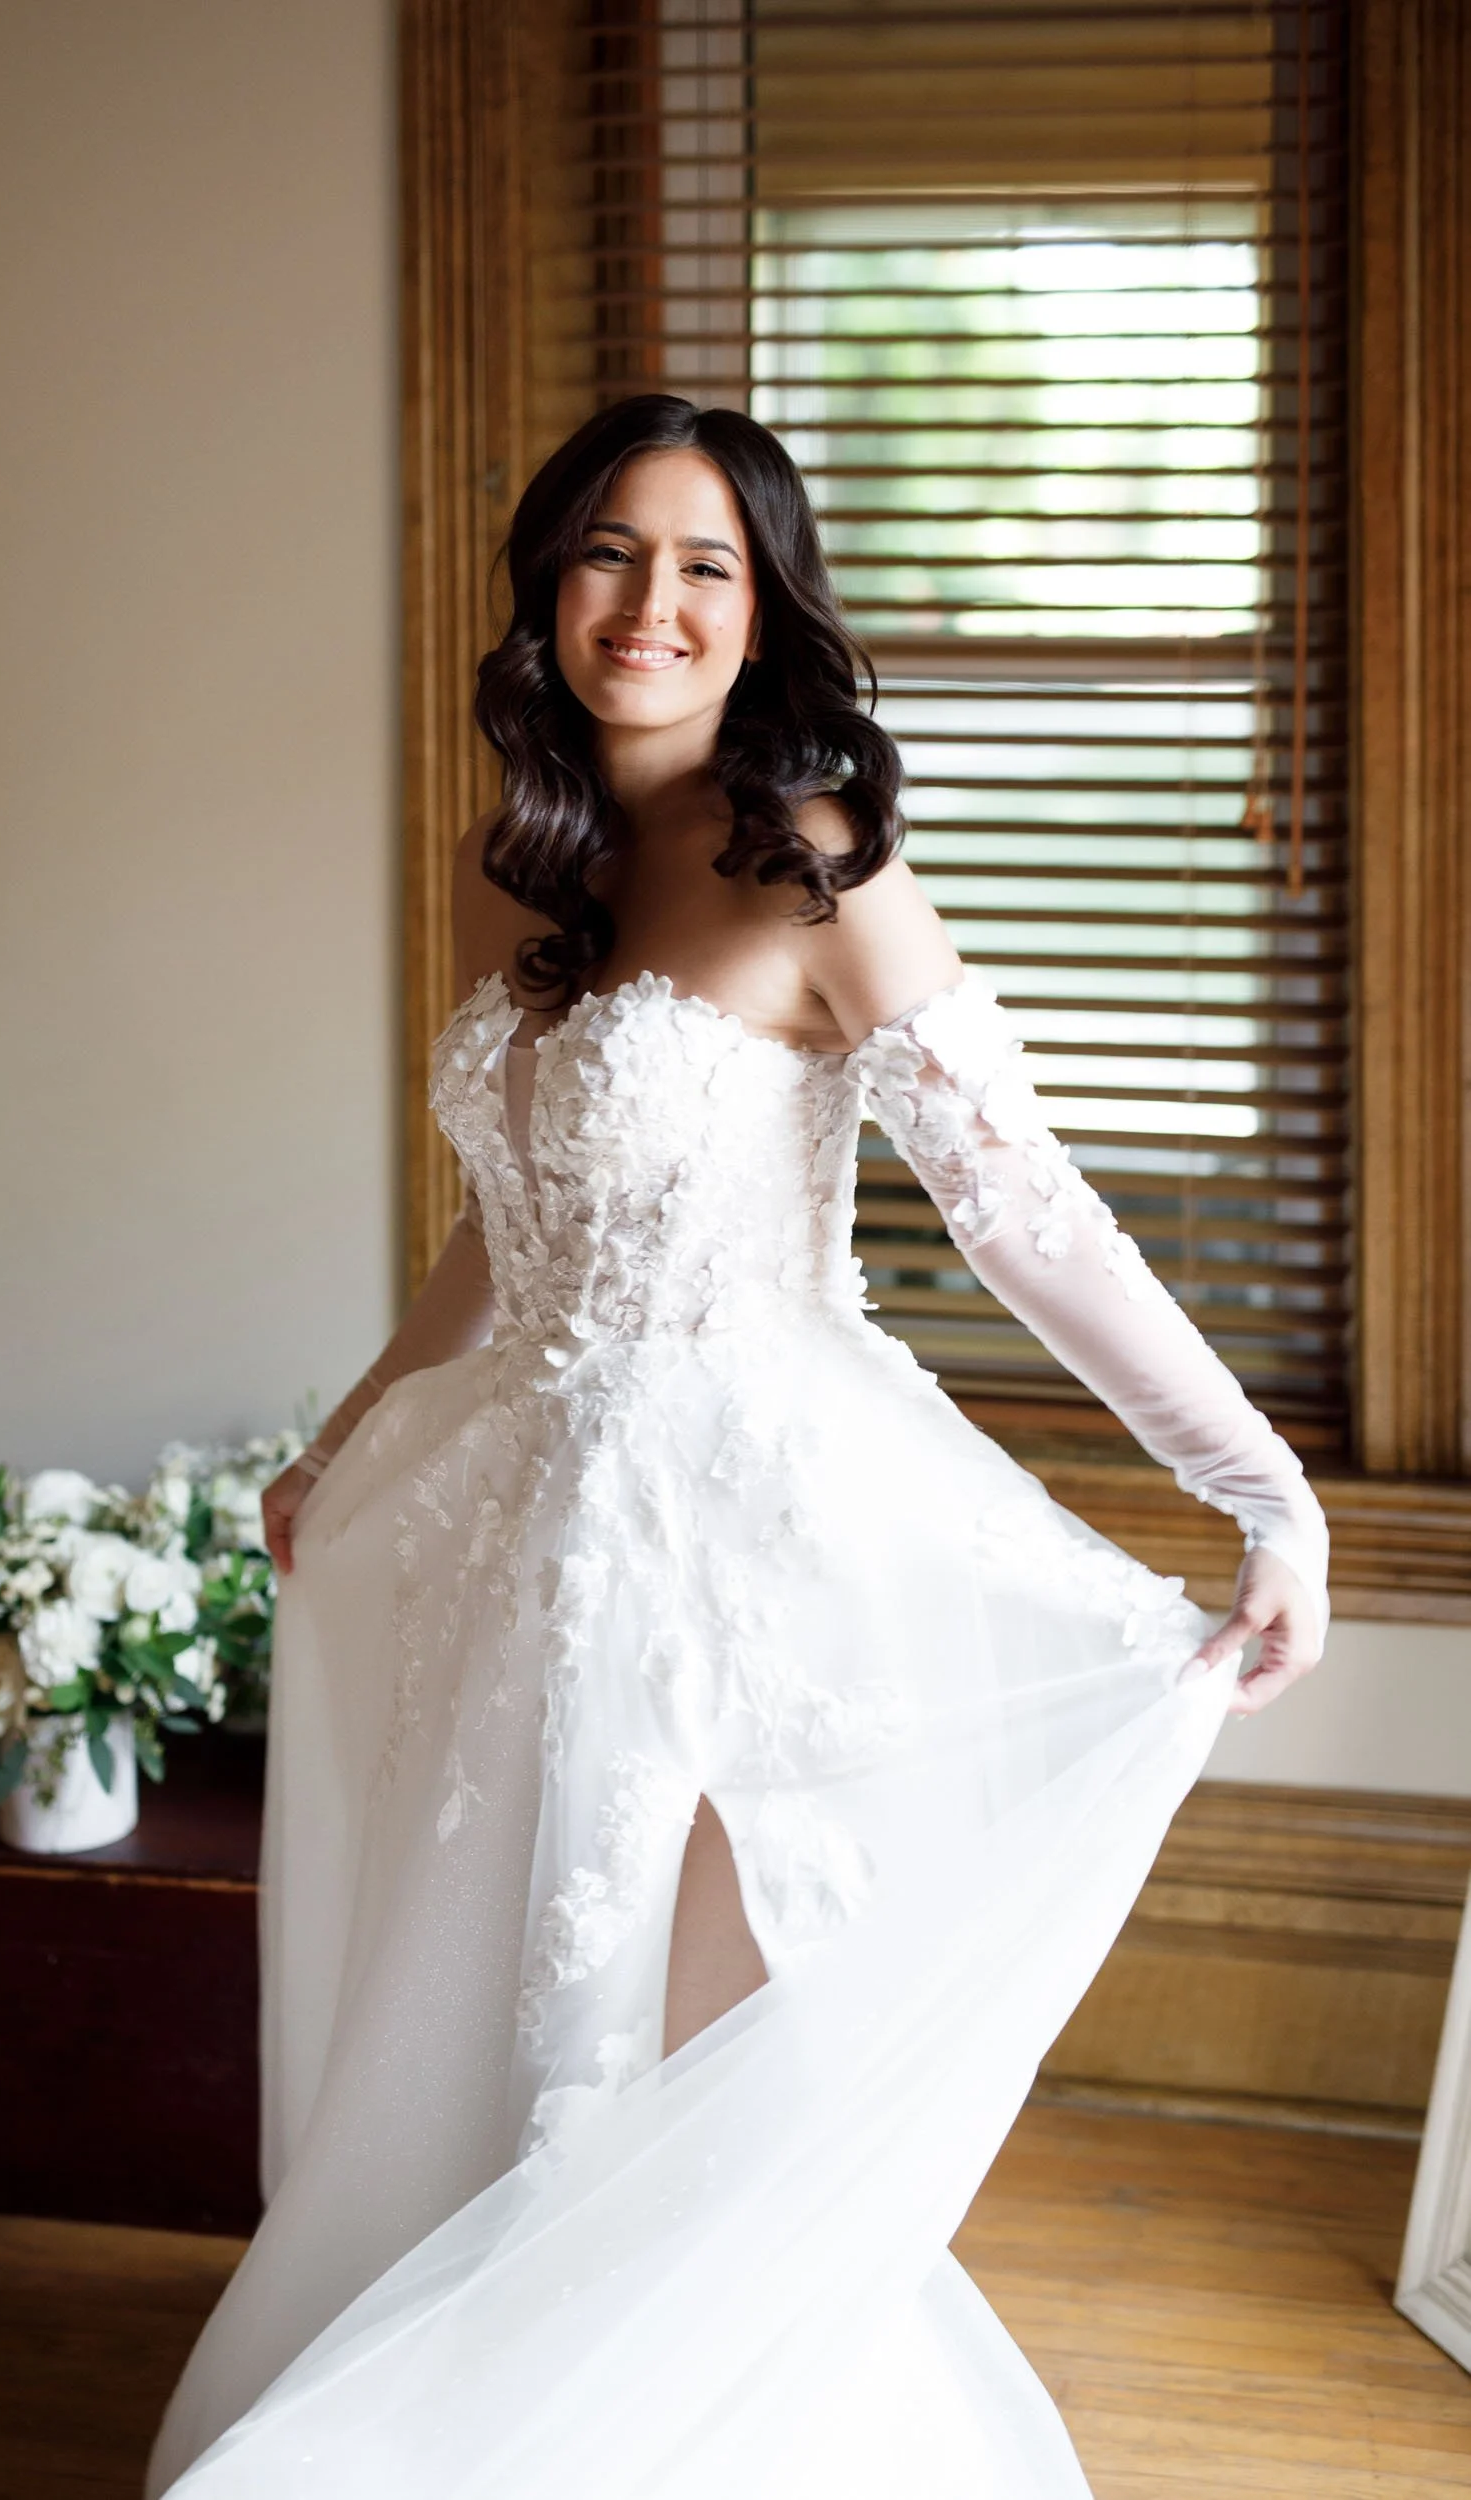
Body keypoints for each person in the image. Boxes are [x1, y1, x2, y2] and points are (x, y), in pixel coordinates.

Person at [145, 394, 1326, 2499]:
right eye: (609, 552)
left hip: (730, 1533)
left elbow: (1018, 1204)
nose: (651, 602)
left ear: (763, 607)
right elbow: (502, 1232)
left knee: (671, 2055)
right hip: (525, 1527)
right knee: (503, 2021)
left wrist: (1253, 1479)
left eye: (704, 563)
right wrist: (342, 1438)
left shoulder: (812, 858)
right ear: (546, 588)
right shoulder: (540, 863)